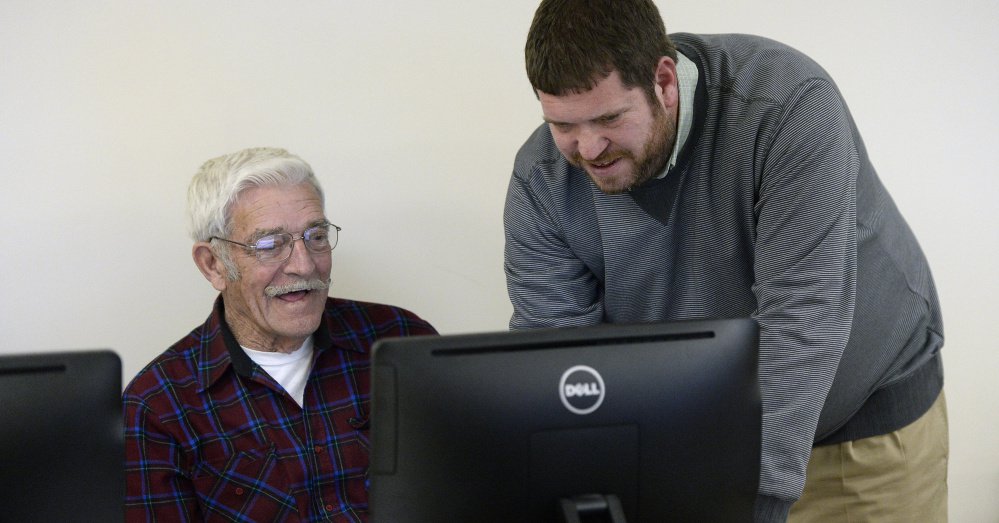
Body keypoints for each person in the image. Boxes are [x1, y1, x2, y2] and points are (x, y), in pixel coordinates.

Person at [504, 1, 946, 521]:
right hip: (685, 449)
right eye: (562, 125)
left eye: (609, 119)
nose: (588, 148)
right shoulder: (541, 180)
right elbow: (561, 361)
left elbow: (803, 318)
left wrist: (744, 504)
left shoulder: (787, 107)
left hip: (856, 434)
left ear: (664, 82)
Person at [123, 147, 437, 521]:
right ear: (213, 265)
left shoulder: (401, 340)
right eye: (270, 245)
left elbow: (469, 486)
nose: (304, 264)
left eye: (316, 236)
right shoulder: (158, 407)